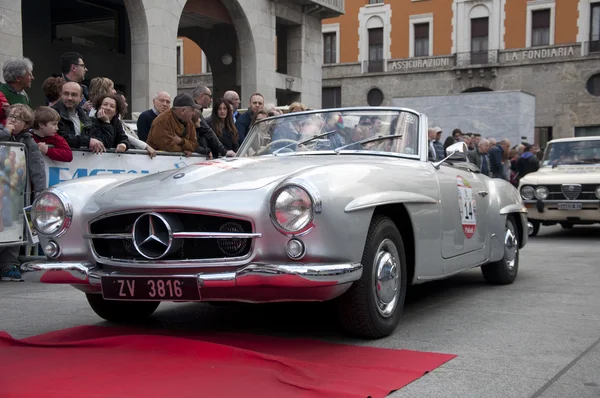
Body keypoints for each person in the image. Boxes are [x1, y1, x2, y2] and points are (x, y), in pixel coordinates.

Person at [0, 104, 46, 282]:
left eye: (18, 118)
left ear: (26, 124)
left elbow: (37, 166)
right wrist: (6, 132)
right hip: (2, 189)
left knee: (16, 227)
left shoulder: (28, 141)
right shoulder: (2, 132)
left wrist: (40, 190)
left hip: (17, 192)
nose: (12, 119)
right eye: (10, 115)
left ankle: (9, 265)